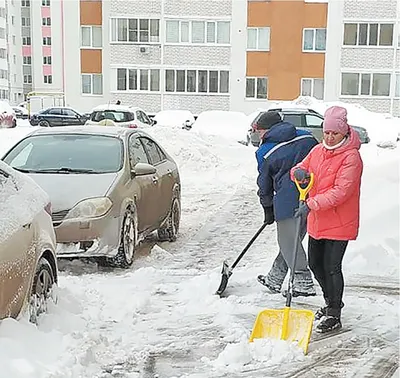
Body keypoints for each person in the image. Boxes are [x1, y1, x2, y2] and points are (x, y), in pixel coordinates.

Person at [291, 105, 363, 333]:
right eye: (327, 132)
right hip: (318, 221)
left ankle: (334, 313)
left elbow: (342, 192)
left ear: (344, 132)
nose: (330, 138)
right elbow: (301, 168)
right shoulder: (317, 151)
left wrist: (311, 204)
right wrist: (299, 174)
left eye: (335, 134)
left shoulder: (352, 157)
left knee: (332, 267)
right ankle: (331, 301)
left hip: (340, 221)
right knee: (315, 264)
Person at [255, 111, 318, 297]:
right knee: (292, 242)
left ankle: (303, 282)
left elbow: (264, 184)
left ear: (266, 130)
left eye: (259, 131)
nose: (258, 135)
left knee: (288, 241)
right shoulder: (306, 136)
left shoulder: (264, 152)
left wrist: (267, 207)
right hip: (313, 195)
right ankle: (275, 277)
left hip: (287, 200)